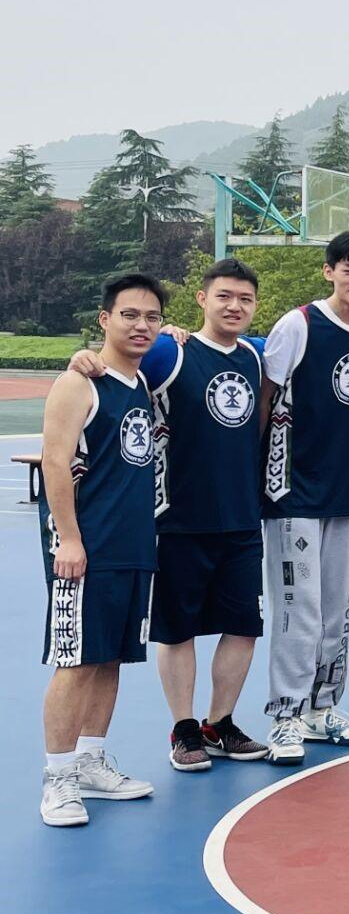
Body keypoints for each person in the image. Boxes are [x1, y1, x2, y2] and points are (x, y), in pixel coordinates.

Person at [66, 258, 274, 771]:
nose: (235, 306)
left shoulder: (257, 354)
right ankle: (184, 728)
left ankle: (219, 723)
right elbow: (112, 362)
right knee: (177, 630)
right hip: (177, 519)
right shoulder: (169, 351)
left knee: (244, 627)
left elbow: (315, 338)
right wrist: (82, 358)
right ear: (202, 299)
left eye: (245, 299)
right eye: (224, 296)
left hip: (242, 519)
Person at [260, 231, 349, 763]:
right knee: (300, 607)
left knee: (337, 607)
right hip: (295, 490)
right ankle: (285, 714)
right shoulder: (298, 324)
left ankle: (322, 705)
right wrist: (255, 475)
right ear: (328, 271)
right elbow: (267, 397)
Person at [38, 274, 165, 826]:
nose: (141, 325)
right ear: (104, 319)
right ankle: (58, 778)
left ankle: (90, 762)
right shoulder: (78, 383)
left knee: (111, 657)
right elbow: (54, 461)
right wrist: (69, 537)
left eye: (151, 317)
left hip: (133, 544)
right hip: (85, 547)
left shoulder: (141, 382)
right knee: (76, 661)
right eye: (129, 315)